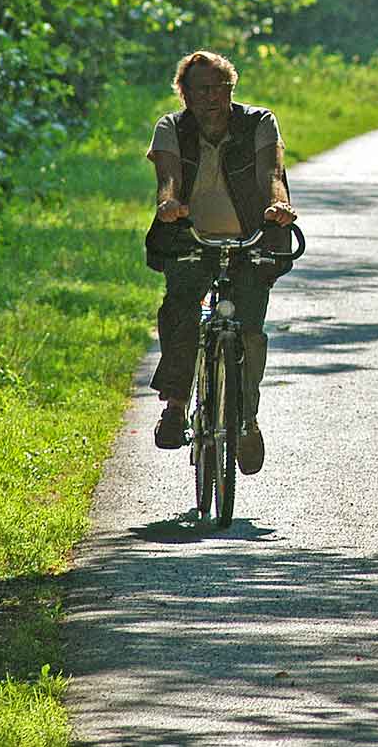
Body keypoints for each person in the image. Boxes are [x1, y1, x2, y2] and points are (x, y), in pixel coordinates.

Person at [145, 50, 297, 474]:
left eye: (221, 88)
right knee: (180, 310)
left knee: (249, 332)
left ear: (233, 89)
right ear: (185, 93)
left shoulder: (258, 122)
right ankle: (175, 407)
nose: (213, 98)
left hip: (250, 238)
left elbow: (272, 173)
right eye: (202, 90)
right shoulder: (171, 127)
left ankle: (246, 420)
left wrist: (279, 206)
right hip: (188, 237)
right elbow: (168, 177)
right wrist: (169, 203)